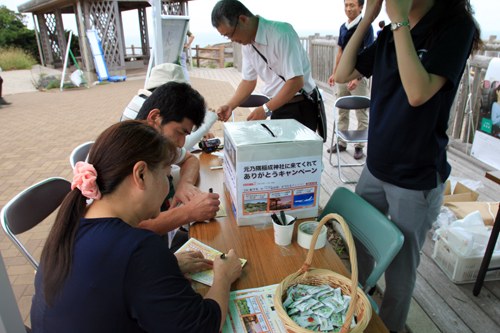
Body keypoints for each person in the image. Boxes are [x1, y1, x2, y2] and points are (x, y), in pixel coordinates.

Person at [334, 0, 481, 332]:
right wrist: (368, 17)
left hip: (415, 177)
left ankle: (390, 327)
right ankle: (356, 313)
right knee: (359, 247)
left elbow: (418, 93)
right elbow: (343, 74)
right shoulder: (388, 34)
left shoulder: (455, 29)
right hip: (376, 166)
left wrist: (398, 20)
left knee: (400, 271)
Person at [31, 120, 242, 332]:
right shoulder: (139, 248)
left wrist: (162, 270)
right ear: (141, 174)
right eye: (167, 176)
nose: (168, 186)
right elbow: (202, 326)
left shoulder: (72, 221)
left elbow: (108, 281)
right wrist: (223, 277)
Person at [211, 0, 325, 138]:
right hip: (276, 105)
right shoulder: (247, 44)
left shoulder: (281, 33)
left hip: (300, 104)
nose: (232, 40)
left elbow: (296, 81)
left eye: (230, 34)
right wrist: (230, 105)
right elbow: (248, 81)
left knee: (297, 157)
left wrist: (265, 109)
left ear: (243, 20)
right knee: (278, 156)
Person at [135, 81, 220, 250]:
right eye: (180, 132)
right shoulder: (129, 156)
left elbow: (190, 159)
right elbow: (134, 229)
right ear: (154, 118)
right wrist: (188, 212)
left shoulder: (156, 145)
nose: (181, 144)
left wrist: (184, 184)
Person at [327, 0, 373, 160]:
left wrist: (358, 78)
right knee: (342, 110)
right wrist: (335, 73)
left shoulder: (366, 26)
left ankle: (359, 146)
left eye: (352, 5)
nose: (348, 8)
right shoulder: (343, 27)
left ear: (361, 7)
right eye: (346, 5)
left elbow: (368, 53)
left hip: (358, 77)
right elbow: (340, 51)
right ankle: (341, 143)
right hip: (343, 77)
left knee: (361, 112)